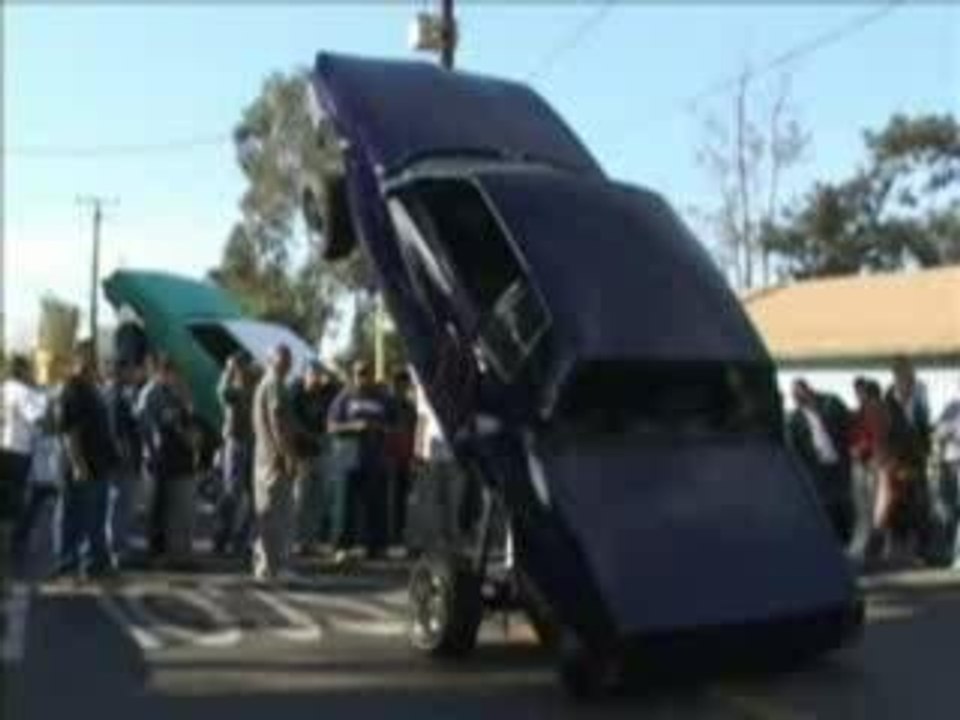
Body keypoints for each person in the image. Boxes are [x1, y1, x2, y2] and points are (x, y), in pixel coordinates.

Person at [56, 342, 118, 579]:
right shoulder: (71, 390)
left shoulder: (93, 389)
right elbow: (69, 433)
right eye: (87, 358)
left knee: (96, 518)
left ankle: (96, 562)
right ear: (77, 360)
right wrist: (78, 465)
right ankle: (69, 562)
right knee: (77, 516)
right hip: (83, 466)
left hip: (99, 465)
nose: (93, 363)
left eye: (94, 358)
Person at [327, 360, 393, 564]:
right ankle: (341, 548)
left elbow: (394, 424)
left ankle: (376, 547)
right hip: (348, 455)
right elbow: (331, 426)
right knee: (345, 505)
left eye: (367, 372)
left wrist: (382, 429)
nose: (363, 376)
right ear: (353, 375)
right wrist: (356, 426)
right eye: (359, 373)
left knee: (375, 503)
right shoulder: (344, 397)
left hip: (374, 457)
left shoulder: (382, 398)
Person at [137, 355, 197, 568]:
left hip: (176, 459)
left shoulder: (174, 392)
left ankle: (173, 553)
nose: (175, 377)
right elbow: (147, 428)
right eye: (171, 372)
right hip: (158, 460)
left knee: (173, 509)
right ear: (161, 372)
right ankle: (156, 554)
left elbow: (185, 418)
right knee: (157, 509)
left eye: (175, 373)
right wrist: (152, 453)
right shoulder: (150, 394)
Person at [251, 344, 300, 582]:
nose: (288, 364)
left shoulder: (267, 383)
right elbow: (278, 421)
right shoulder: (275, 385)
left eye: (289, 359)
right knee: (277, 513)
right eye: (283, 359)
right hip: (274, 459)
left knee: (269, 512)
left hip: (265, 456)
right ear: (271, 360)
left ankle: (266, 565)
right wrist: (287, 454)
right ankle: (275, 568)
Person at [787, 379, 855, 546]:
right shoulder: (795, 419)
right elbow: (795, 446)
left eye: (800, 394)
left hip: (840, 462)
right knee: (826, 504)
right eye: (795, 397)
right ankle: (834, 541)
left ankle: (847, 537)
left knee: (844, 501)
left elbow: (849, 424)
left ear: (809, 390)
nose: (798, 399)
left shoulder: (831, 403)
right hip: (817, 468)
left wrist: (852, 447)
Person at [288, 360, 341, 555]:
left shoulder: (326, 391)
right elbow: (291, 421)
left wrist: (330, 375)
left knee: (319, 498)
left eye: (319, 375)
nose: (316, 380)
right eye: (313, 375)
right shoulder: (295, 392)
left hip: (320, 451)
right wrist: (311, 437)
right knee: (300, 498)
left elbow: (340, 387)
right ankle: (294, 540)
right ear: (304, 375)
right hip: (301, 452)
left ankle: (309, 540)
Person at [885, 357, 934, 562]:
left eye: (911, 375)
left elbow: (923, 427)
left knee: (920, 504)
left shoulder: (919, 397)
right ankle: (899, 549)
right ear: (897, 377)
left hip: (917, 459)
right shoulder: (888, 400)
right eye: (906, 375)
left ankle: (920, 550)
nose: (910, 380)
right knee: (898, 504)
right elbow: (887, 431)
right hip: (897, 460)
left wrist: (925, 451)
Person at [213, 352, 255, 558]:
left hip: (253, 443)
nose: (245, 369)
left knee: (254, 496)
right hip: (236, 442)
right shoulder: (231, 390)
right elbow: (221, 393)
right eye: (241, 366)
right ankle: (221, 537)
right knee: (231, 492)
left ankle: (241, 540)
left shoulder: (254, 387)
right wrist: (228, 370)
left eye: (246, 365)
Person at [101, 360, 142, 568]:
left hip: (120, 458)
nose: (132, 373)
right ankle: (116, 550)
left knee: (120, 504)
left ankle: (119, 546)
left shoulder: (117, 394)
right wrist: (125, 457)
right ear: (119, 372)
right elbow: (118, 432)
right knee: (119, 504)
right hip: (121, 460)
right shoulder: (115, 396)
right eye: (128, 370)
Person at [2, 356, 48, 525]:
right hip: (18, 451)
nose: (31, 372)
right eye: (29, 369)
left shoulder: (4, 387)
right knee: (13, 502)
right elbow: (37, 418)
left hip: (4, 446)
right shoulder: (22, 391)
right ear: (21, 370)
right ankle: (11, 546)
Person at [385, 368, 418, 549]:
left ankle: (399, 533)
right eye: (399, 384)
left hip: (404, 456)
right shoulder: (386, 404)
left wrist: (414, 454)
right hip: (389, 456)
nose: (401, 388)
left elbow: (414, 431)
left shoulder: (409, 407)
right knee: (391, 496)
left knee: (402, 496)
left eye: (404, 385)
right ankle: (391, 534)